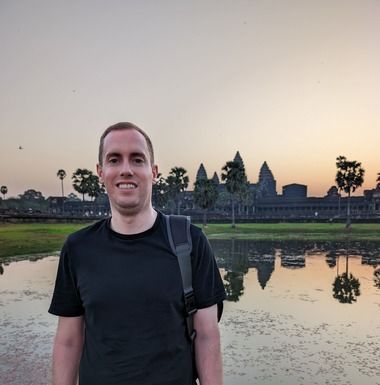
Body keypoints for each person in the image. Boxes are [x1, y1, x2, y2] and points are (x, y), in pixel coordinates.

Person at [49, 122, 226, 385]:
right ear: (101, 172)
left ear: (153, 172)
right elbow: (69, 340)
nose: (126, 170)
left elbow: (207, 335)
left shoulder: (189, 242)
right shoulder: (78, 248)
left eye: (137, 159)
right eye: (114, 159)